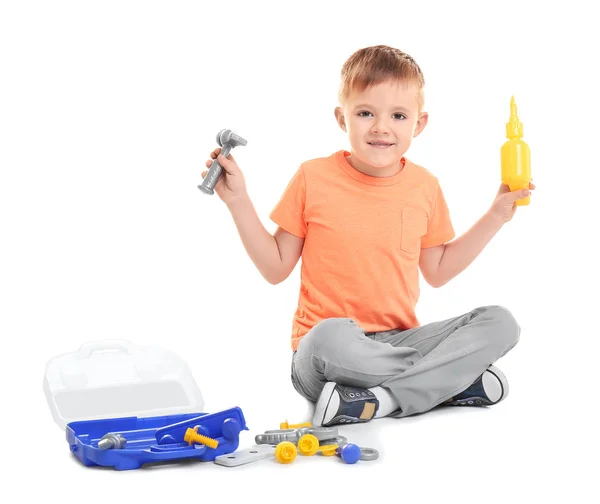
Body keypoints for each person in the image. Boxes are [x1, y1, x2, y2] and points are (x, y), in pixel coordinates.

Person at [202, 45, 535, 427]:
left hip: (400, 339)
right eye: (365, 113)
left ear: (419, 124)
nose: (381, 127)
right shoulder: (313, 177)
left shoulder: (425, 187)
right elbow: (276, 267)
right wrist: (239, 201)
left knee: (500, 322)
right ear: (342, 118)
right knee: (331, 337)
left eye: (398, 115)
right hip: (327, 354)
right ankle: (447, 381)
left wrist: (496, 216)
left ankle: (383, 399)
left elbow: (438, 271)